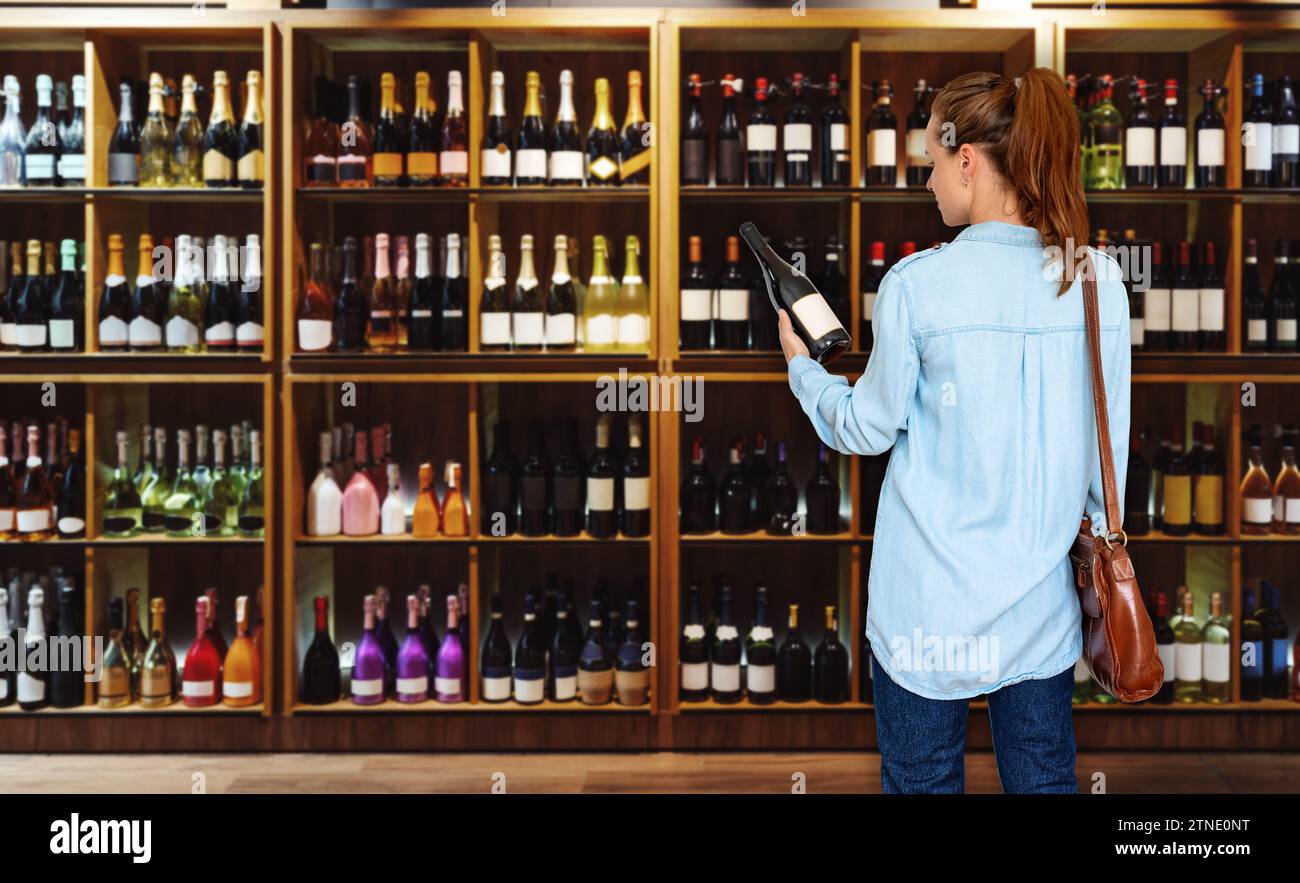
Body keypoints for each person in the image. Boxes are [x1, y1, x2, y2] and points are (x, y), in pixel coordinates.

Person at [777, 68, 1130, 793]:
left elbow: (866, 428)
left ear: (967, 159)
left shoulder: (916, 285)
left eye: (933, 165)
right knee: (1044, 783)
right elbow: (1107, 463)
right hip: (1039, 613)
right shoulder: (1096, 279)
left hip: (923, 613)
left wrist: (803, 370)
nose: (929, 183)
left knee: (921, 783)